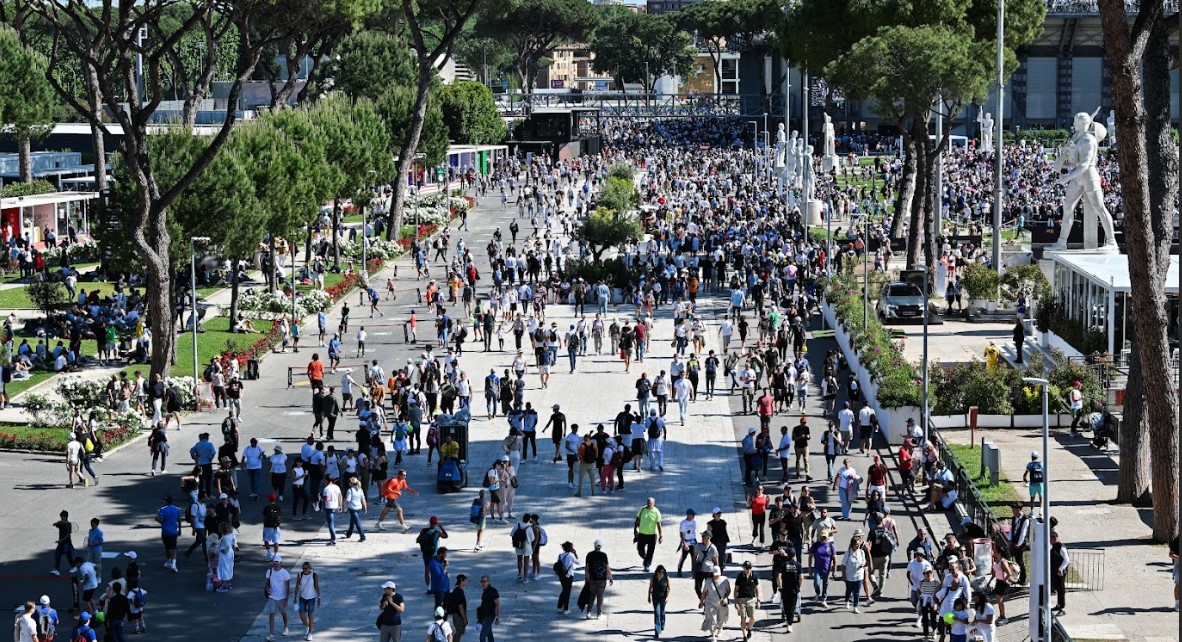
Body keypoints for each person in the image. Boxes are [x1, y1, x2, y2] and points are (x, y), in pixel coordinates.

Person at [582, 540, 613, 619]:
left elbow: (587, 567)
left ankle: (588, 612)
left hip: (592, 578)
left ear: (594, 546)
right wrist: (610, 577)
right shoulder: (603, 555)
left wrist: (586, 577)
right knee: (600, 596)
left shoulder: (589, 555)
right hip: (601, 578)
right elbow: (606, 567)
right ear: (601, 546)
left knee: (592, 595)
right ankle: (599, 614)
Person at [699, 567, 731, 641]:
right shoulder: (708, 581)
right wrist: (701, 602)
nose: (716, 576)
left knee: (721, 619)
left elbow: (728, 590)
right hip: (710, 602)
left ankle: (720, 629)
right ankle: (713, 636)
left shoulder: (725, 580)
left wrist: (726, 598)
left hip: (721, 602)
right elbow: (704, 592)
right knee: (712, 619)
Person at [264, 557, 291, 641]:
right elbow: (267, 583)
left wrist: (286, 599)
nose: (276, 564)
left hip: (281, 597)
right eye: (274, 563)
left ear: (281, 563)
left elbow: (288, 587)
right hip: (272, 596)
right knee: (272, 614)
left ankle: (286, 627)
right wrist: (267, 589)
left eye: (278, 563)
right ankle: (272, 634)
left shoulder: (285, 573)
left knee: (283, 612)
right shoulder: (270, 571)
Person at [634, 497, 663, 572]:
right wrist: (635, 531)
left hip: (652, 535)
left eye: (651, 503)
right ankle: (646, 558)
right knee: (640, 550)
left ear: (654, 503)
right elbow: (637, 521)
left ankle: (647, 565)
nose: (649, 504)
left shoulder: (656, 511)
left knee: (650, 551)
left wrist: (661, 535)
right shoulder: (642, 509)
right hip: (642, 534)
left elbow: (659, 524)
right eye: (648, 503)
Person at [842, 532, 868, 613]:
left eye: (858, 544)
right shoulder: (848, 553)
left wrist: (863, 563)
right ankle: (846, 601)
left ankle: (855, 606)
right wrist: (843, 575)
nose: (857, 546)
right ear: (852, 545)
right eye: (856, 544)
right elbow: (843, 564)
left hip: (859, 575)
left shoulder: (861, 552)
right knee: (849, 590)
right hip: (850, 576)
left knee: (857, 592)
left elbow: (864, 560)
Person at [734, 561, 761, 639]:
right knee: (743, 617)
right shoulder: (740, 576)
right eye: (746, 568)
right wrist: (736, 602)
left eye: (749, 568)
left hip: (751, 599)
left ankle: (749, 628)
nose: (748, 570)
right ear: (743, 568)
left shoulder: (754, 576)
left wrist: (758, 600)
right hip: (741, 599)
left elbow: (757, 588)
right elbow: (736, 590)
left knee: (752, 618)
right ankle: (744, 636)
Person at [779, 548, 803, 631]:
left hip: (785, 588)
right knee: (792, 606)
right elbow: (801, 578)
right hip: (794, 589)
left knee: (786, 606)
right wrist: (799, 587)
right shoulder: (798, 565)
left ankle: (788, 621)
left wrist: (780, 586)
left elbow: (780, 576)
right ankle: (789, 624)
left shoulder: (784, 564)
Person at [155, 496, 181, 573]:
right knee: (174, 548)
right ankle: (174, 564)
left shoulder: (162, 510)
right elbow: (179, 520)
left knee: (167, 548)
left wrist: (157, 520)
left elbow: (162, 521)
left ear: (166, 501)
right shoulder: (177, 509)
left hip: (165, 531)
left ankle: (169, 561)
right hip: (174, 531)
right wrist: (180, 530)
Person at [1050, 531, 1070, 614]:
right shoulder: (1053, 546)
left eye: (1054, 537)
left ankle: (1061, 605)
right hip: (1055, 571)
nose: (1053, 539)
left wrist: (1060, 569)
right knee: (1057, 588)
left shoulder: (1061, 547)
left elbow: (1066, 560)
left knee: (1061, 589)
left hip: (1060, 572)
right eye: (1051, 538)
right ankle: (1059, 605)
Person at [475, 576, 500, 642]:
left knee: (482, 636)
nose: (483, 583)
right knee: (489, 634)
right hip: (484, 616)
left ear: (488, 582)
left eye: (484, 581)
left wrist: (497, 617)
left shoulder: (493, 591)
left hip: (490, 616)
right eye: (482, 581)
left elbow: (498, 605)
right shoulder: (485, 591)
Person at [444, 574, 469, 642]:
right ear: (462, 581)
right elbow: (460, 607)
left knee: (458, 633)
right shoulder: (459, 593)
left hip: (455, 614)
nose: (467, 582)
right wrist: (464, 618)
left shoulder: (457, 590)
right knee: (459, 632)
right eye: (465, 580)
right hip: (458, 616)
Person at [555, 542, 578, 614]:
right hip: (569, 575)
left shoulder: (560, 555)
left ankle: (559, 606)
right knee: (567, 592)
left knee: (564, 590)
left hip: (561, 575)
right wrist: (575, 554)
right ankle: (566, 609)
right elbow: (578, 562)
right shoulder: (571, 555)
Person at [648, 565, 670, 638]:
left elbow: (669, 588)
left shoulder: (666, 578)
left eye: (662, 572)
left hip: (663, 598)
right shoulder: (653, 578)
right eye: (660, 572)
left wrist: (667, 597)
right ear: (657, 572)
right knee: (657, 614)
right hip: (655, 598)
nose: (661, 573)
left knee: (662, 612)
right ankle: (657, 631)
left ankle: (662, 625)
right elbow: (650, 587)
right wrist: (649, 596)